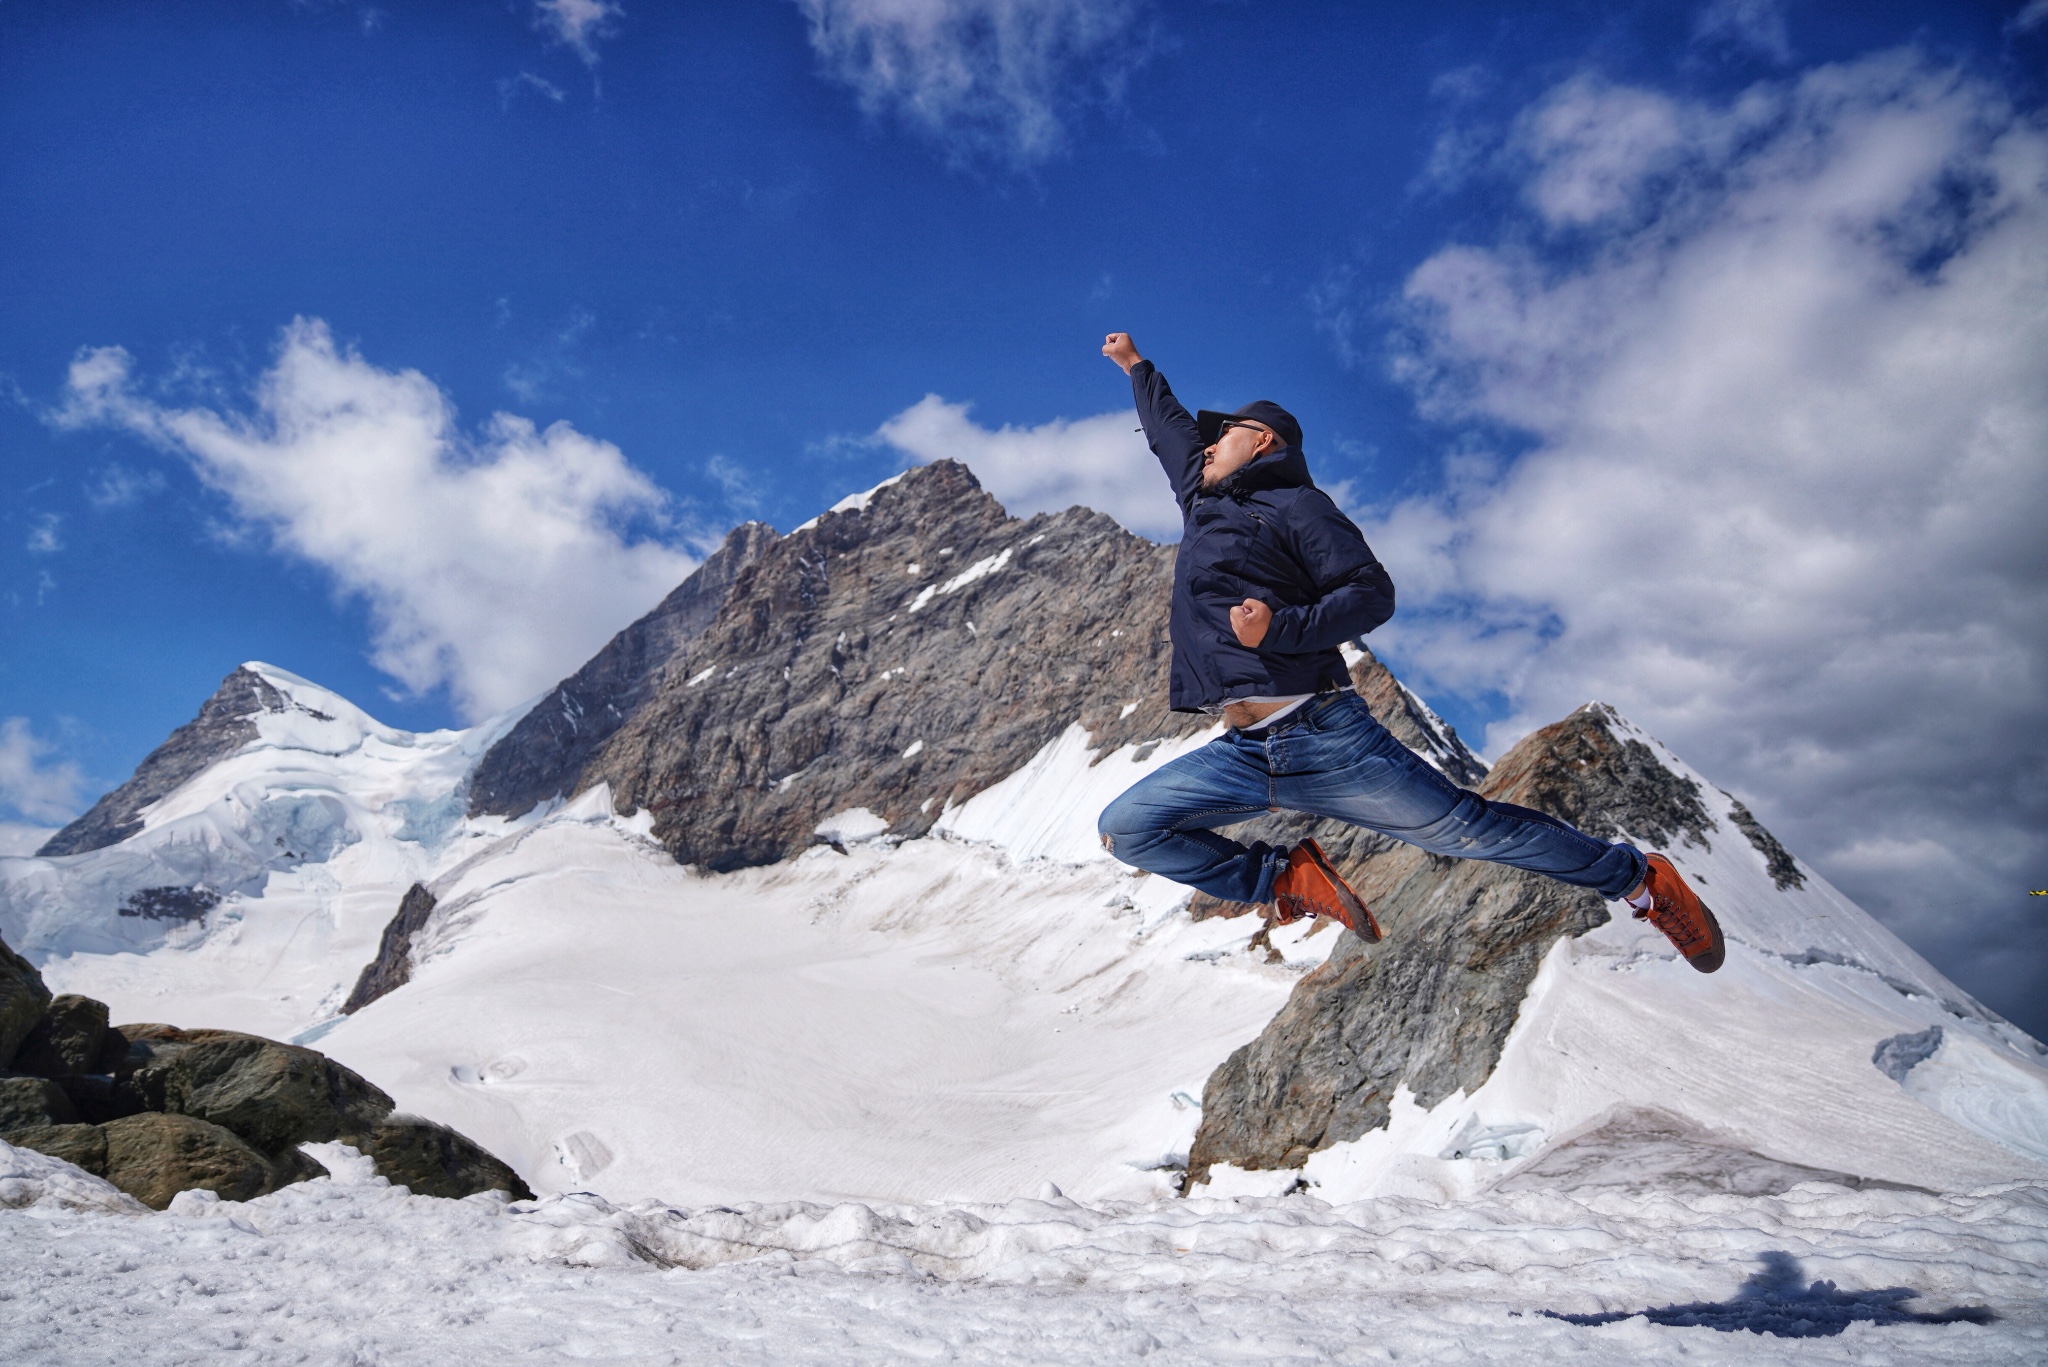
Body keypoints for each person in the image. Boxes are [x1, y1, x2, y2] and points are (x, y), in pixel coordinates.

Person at [1093, 332, 1724, 972]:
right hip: (1244, 751)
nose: (1203, 446)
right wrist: (1135, 366)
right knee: (1128, 827)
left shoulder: (1298, 507)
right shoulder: (1200, 496)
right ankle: (1286, 881)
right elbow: (1168, 430)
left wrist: (1276, 631)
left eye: (1220, 435)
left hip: (1325, 736)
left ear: (1260, 440)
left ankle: (1641, 880)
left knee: (1471, 831)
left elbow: (1371, 592)